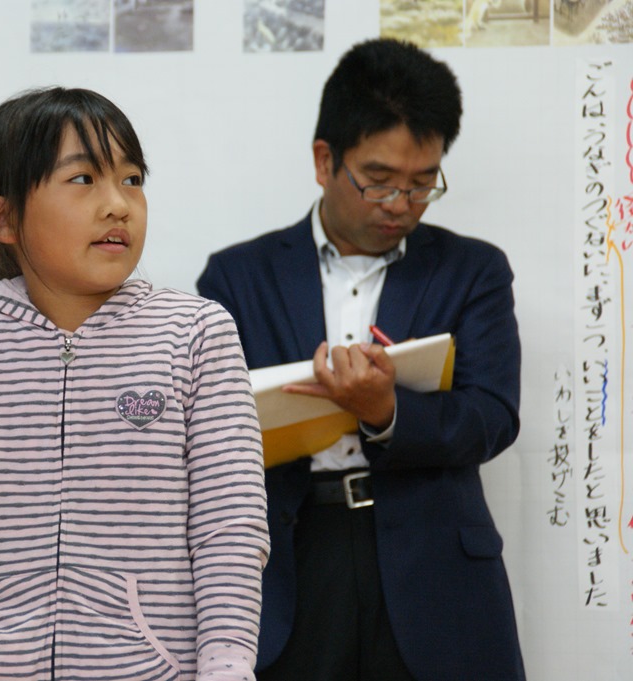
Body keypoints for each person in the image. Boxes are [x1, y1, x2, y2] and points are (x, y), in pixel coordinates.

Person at [0, 86, 269, 681]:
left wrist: (226, 667)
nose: (118, 205)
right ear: (3, 218)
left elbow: (230, 523)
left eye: (132, 180)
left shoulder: (196, 331)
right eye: (83, 179)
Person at [197, 38, 525, 681]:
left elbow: (492, 417)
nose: (400, 204)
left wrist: (387, 411)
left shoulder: (473, 271)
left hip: (433, 568)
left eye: (423, 183)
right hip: (290, 560)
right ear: (325, 161)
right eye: (378, 181)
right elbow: (206, 431)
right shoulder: (237, 277)